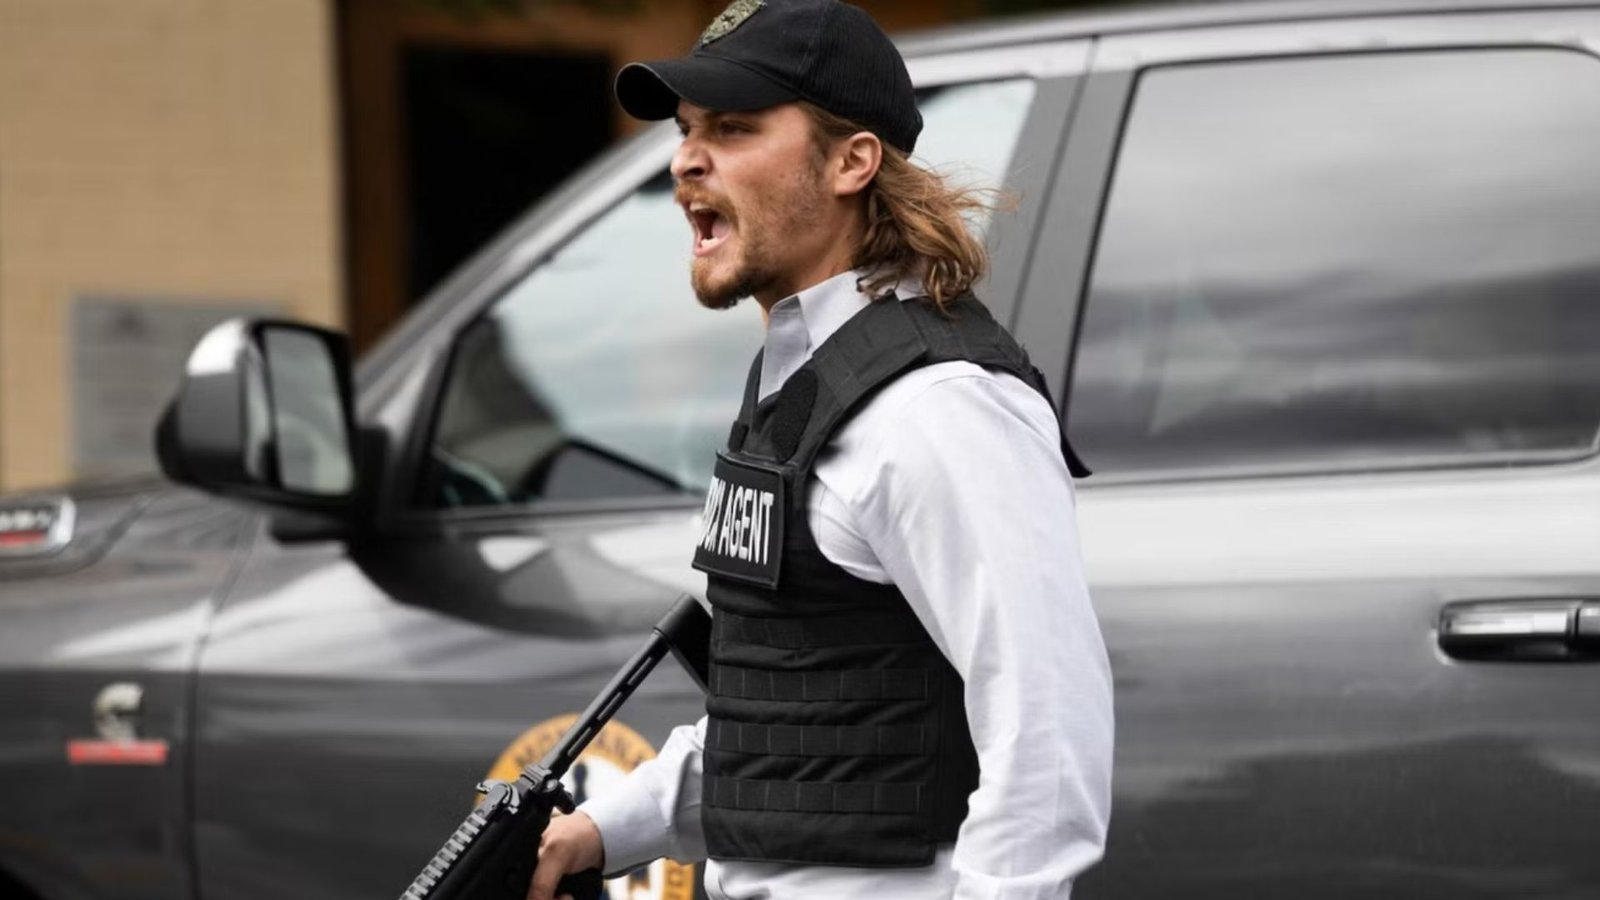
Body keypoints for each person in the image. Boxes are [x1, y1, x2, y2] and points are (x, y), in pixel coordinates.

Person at [529, 2, 1112, 898]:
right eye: (687, 131)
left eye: (733, 128)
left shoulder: (939, 408)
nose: (686, 159)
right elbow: (790, 721)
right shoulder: (801, 385)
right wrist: (602, 831)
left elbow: (1048, 735)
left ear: (852, 162)